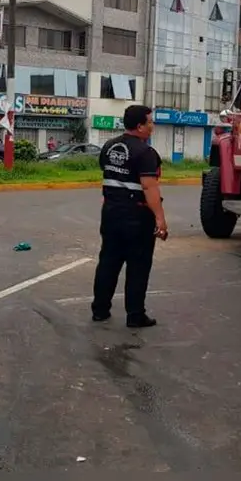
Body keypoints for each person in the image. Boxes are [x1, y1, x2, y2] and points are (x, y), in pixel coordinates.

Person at [90, 104, 167, 328]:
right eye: (150, 122)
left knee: (108, 262)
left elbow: (110, 176)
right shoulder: (146, 153)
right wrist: (160, 219)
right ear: (140, 126)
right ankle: (135, 315)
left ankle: (100, 310)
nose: (153, 126)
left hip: (111, 213)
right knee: (138, 265)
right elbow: (150, 188)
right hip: (137, 216)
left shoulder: (109, 146)